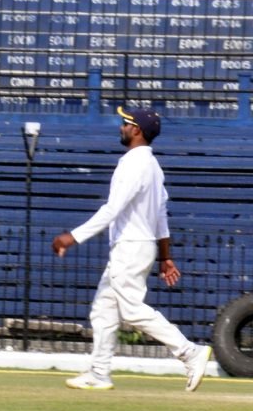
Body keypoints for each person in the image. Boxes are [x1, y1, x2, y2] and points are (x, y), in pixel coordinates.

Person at [53, 106, 213, 392]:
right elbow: (161, 216)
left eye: (125, 123)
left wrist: (72, 237)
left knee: (131, 310)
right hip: (140, 246)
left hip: (130, 247)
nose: (121, 126)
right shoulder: (153, 167)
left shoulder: (133, 164)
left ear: (136, 130)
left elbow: (112, 209)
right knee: (103, 309)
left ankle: (189, 352)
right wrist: (165, 257)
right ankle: (99, 373)